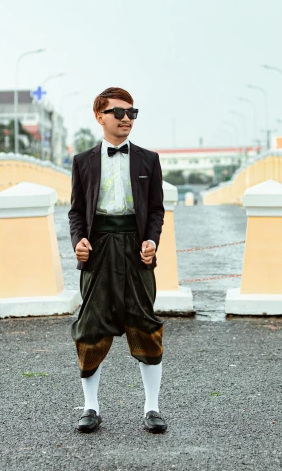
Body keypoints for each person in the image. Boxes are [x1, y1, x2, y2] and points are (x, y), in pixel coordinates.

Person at [68, 87, 166, 434]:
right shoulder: (82, 162)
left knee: (145, 323)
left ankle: (152, 408)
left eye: (132, 113)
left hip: (136, 249)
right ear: (100, 116)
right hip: (98, 249)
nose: (126, 119)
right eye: (118, 113)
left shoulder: (148, 159)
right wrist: (78, 240)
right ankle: (90, 407)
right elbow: (77, 212)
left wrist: (152, 240)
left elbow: (156, 210)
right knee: (90, 326)